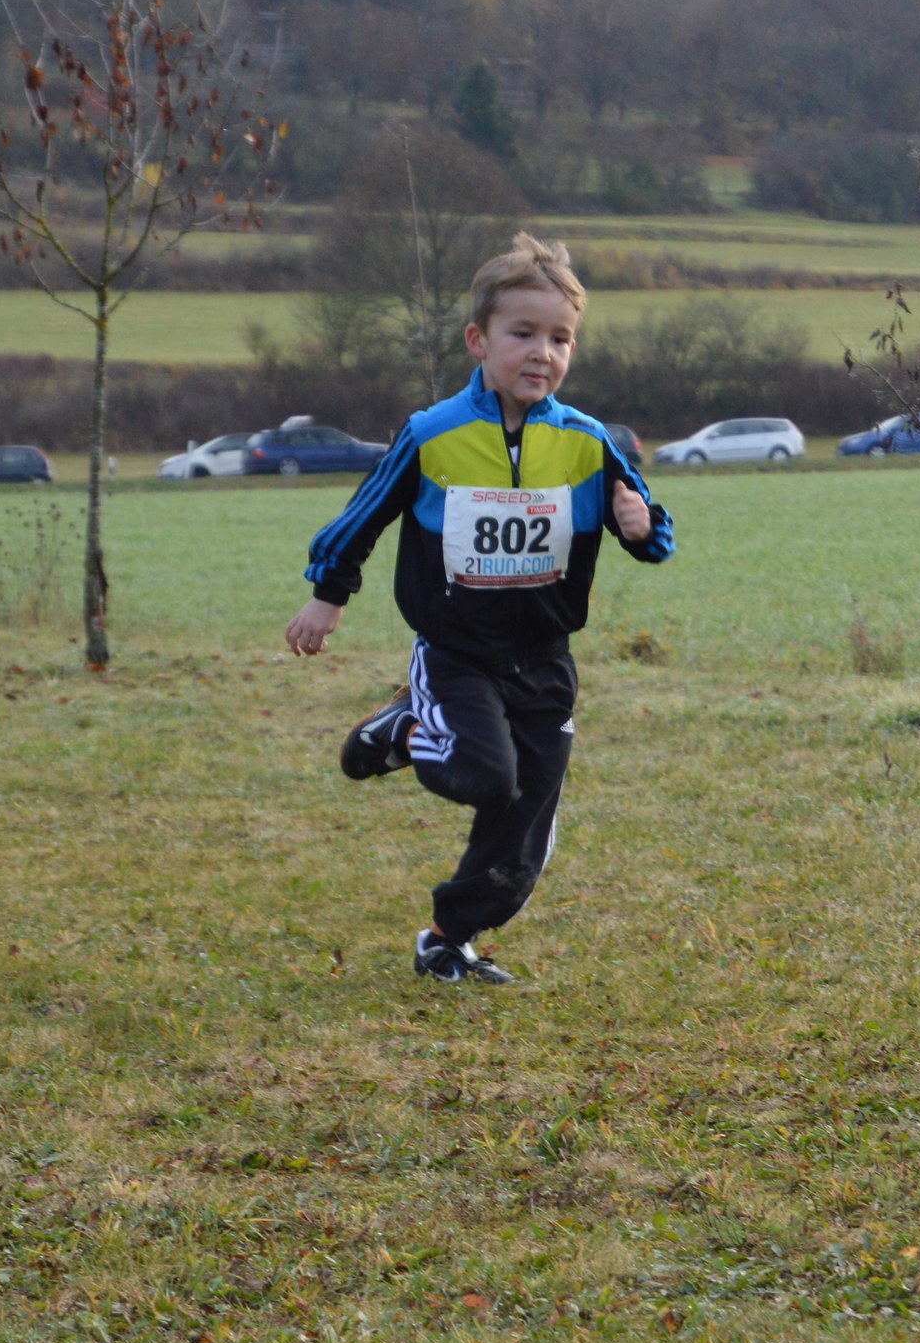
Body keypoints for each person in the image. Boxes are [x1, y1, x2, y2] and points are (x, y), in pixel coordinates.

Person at [282, 233, 674, 985]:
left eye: (560, 338)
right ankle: (405, 727)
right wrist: (328, 596)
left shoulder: (589, 443)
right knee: (487, 776)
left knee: (524, 831)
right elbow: (361, 518)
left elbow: (652, 530)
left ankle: (447, 939)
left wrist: (642, 528)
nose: (542, 353)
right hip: (457, 654)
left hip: (546, 662)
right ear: (478, 341)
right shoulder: (432, 434)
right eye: (522, 333)